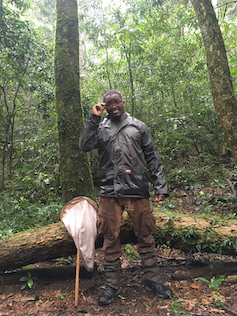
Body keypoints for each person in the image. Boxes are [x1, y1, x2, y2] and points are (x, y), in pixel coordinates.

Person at [79, 90, 173, 306]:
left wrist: (161, 186)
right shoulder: (101, 128)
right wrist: (93, 118)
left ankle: (153, 281)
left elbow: (152, 156)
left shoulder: (138, 126)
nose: (113, 106)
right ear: (105, 105)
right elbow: (84, 146)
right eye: (108, 103)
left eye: (116, 102)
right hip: (110, 192)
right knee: (110, 239)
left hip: (137, 190)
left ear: (123, 103)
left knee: (146, 236)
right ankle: (112, 286)